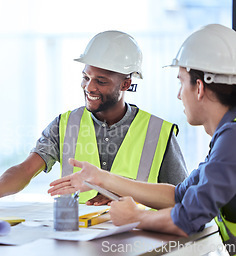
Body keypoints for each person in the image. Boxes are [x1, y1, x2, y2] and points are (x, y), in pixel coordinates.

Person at [48, 24, 236, 251]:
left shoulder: (231, 142)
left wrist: (136, 217)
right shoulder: (227, 138)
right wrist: (102, 178)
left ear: (198, 87)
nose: (178, 94)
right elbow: (180, 195)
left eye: (181, 82)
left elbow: (188, 218)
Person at [0, 30, 188, 212]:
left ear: (125, 84)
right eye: (86, 77)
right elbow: (25, 169)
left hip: (137, 243)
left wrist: (131, 194)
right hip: (76, 242)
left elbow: (182, 200)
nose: (89, 87)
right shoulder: (65, 124)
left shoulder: (158, 133)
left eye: (101, 81)